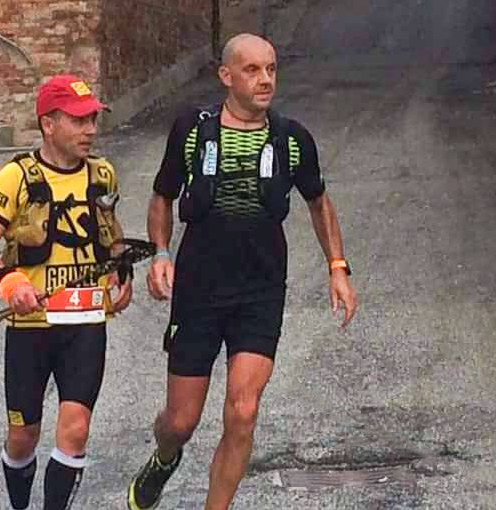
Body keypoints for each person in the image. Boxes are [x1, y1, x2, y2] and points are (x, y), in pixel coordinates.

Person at [127, 33, 359, 510]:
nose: (265, 79)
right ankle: (165, 457)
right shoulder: (192, 131)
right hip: (199, 289)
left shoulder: (292, 138)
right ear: (226, 76)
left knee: (243, 410)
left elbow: (319, 202)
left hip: (260, 289)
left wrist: (338, 267)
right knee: (180, 421)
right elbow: (162, 196)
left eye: (271, 69)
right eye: (252, 70)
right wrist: (161, 253)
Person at [0, 74, 132, 510]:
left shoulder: (103, 174)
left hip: (86, 322)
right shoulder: (17, 176)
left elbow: (111, 236)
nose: (90, 130)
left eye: (93, 119)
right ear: (48, 124)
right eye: (78, 120)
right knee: (23, 436)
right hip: (31, 327)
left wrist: (122, 271)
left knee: (76, 430)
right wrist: (9, 281)